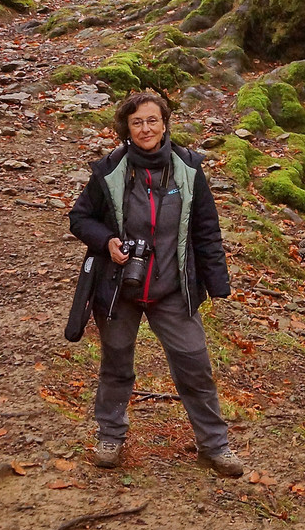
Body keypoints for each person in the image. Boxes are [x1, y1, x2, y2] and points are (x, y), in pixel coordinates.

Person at [69, 91, 244, 477]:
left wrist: (217, 285)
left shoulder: (189, 170)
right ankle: (110, 437)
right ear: (126, 128)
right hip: (118, 289)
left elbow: (207, 231)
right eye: (137, 122)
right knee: (116, 365)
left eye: (152, 120)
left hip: (173, 290)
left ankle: (215, 446)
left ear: (165, 123)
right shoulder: (109, 171)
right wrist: (107, 242)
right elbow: (79, 219)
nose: (146, 128)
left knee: (195, 365)